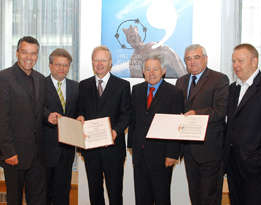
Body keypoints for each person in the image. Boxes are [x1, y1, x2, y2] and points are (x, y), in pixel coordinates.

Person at [0, 36, 54, 205]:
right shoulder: (4, 78)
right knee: (15, 200)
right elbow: (2, 117)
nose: (29, 57)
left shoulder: (40, 78)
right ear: (17, 53)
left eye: (33, 53)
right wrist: (8, 152)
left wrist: (48, 116)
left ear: (38, 56)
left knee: (38, 199)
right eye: (25, 52)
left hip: (38, 155)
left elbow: (38, 109)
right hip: (14, 154)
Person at [175, 44, 229, 205]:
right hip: (189, 149)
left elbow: (220, 111)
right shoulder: (181, 81)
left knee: (209, 197)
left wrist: (196, 114)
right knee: (195, 196)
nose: (192, 62)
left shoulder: (219, 79)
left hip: (210, 149)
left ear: (205, 58)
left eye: (196, 57)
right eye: (188, 59)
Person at [225, 43, 261, 205]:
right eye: (233, 61)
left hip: (256, 165)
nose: (235, 65)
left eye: (240, 61)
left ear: (254, 62)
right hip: (233, 164)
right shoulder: (232, 89)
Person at [77, 46, 131, 205]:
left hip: (113, 149)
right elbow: (80, 110)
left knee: (115, 193)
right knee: (94, 192)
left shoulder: (122, 85)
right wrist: (79, 116)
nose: (99, 63)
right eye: (96, 60)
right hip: (90, 149)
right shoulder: (84, 85)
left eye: (103, 60)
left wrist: (115, 130)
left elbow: (127, 114)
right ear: (92, 62)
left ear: (110, 63)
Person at [128, 55, 184, 205]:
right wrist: (131, 145)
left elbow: (176, 125)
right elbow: (133, 120)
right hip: (140, 155)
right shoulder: (137, 90)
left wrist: (173, 154)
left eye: (155, 69)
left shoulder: (174, 93)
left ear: (163, 71)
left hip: (162, 156)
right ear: (143, 72)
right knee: (141, 198)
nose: (151, 73)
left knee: (161, 198)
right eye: (147, 69)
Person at [42, 48, 79, 205]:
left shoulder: (76, 86)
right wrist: (46, 116)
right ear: (50, 66)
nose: (61, 68)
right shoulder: (40, 84)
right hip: (45, 150)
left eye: (65, 65)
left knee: (63, 192)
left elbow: (80, 111)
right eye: (58, 64)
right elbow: (35, 109)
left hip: (67, 150)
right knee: (44, 193)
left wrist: (81, 116)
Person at [122, 25, 186, 78]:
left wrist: (184, 79)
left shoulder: (153, 46)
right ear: (128, 41)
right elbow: (137, 80)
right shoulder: (133, 59)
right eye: (130, 37)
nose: (133, 39)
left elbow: (173, 58)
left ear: (139, 37)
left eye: (134, 36)